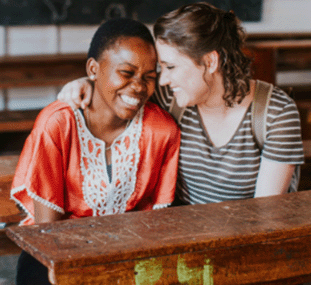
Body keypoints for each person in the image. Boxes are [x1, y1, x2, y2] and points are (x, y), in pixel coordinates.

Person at [58, 2, 304, 206]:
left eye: (171, 67)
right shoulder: (170, 97)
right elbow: (119, 95)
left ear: (210, 62)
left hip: (244, 246)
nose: (163, 79)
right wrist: (89, 83)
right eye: (161, 68)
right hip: (181, 237)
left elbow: (265, 215)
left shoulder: (275, 113)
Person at [11, 18, 180, 285]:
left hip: (127, 254)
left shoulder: (162, 130)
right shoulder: (58, 123)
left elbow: (154, 224)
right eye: (126, 73)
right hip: (55, 253)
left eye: (149, 77)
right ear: (93, 68)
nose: (138, 86)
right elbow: (49, 233)